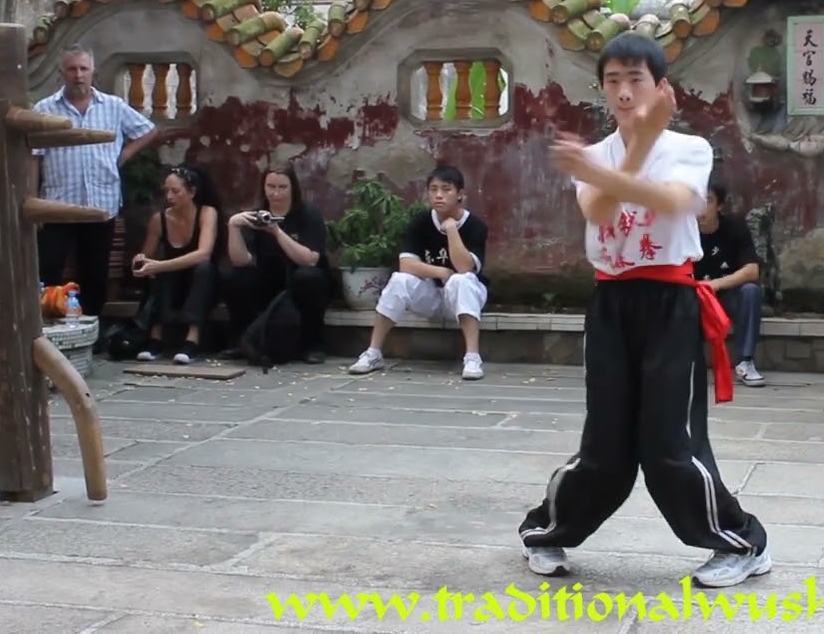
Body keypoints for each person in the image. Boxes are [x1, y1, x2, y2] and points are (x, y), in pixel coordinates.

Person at [518, 32, 770, 589]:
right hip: (610, 303)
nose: (625, 93)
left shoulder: (690, 148)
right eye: (613, 81)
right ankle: (549, 531)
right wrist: (631, 146)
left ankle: (742, 543)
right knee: (604, 442)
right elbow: (599, 210)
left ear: (662, 87)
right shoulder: (596, 155)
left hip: (671, 303)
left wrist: (641, 144)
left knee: (670, 443)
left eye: (637, 80)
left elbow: (674, 201)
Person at [32, 43, 161, 317]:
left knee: (95, 269)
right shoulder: (44, 108)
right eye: (72, 69)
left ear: (93, 72)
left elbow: (148, 131)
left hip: (100, 202)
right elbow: (35, 157)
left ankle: (92, 326)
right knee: (49, 267)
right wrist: (33, 200)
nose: (78, 75)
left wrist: (124, 155)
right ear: (61, 73)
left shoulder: (112, 106)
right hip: (58, 204)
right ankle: (47, 325)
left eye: (83, 69)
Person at [347, 165, 489, 380]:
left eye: (446, 189)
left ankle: (472, 357)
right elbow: (406, 264)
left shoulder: (475, 225)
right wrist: (441, 271)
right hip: (432, 294)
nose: (438, 195)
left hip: (465, 296)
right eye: (433, 189)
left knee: (463, 280)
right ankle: (373, 353)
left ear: (460, 194)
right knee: (399, 280)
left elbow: (464, 267)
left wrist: (451, 229)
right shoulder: (421, 222)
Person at [221, 165, 330, 364]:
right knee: (235, 278)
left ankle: (313, 345)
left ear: (292, 188)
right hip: (268, 277)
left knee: (307, 277)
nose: (276, 193)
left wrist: (277, 232)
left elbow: (310, 259)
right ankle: (242, 340)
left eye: (282, 187)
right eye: (270, 186)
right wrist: (234, 227)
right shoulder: (256, 216)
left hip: (303, 280)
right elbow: (241, 260)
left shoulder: (308, 214)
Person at [131, 166, 222, 363]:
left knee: (203, 270)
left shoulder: (207, 213)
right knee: (160, 272)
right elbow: (147, 255)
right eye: (167, 191)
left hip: (200, 280)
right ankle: (155, 338)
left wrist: (160, 266)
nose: (169, 196)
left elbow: (203, 254)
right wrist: (141, 262)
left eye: (176, 191)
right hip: (173, 280)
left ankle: (192, 339)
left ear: (192, 193)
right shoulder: (160, 219)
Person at [695, 179, 766, 387]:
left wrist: (716, 284)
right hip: (693, 296)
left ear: (720, 206)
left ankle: (745, 361)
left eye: (707, 201)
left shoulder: (734, 227)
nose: (701, 208)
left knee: (751, 291)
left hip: (726, 297)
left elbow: (752, 270)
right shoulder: (683, 229)